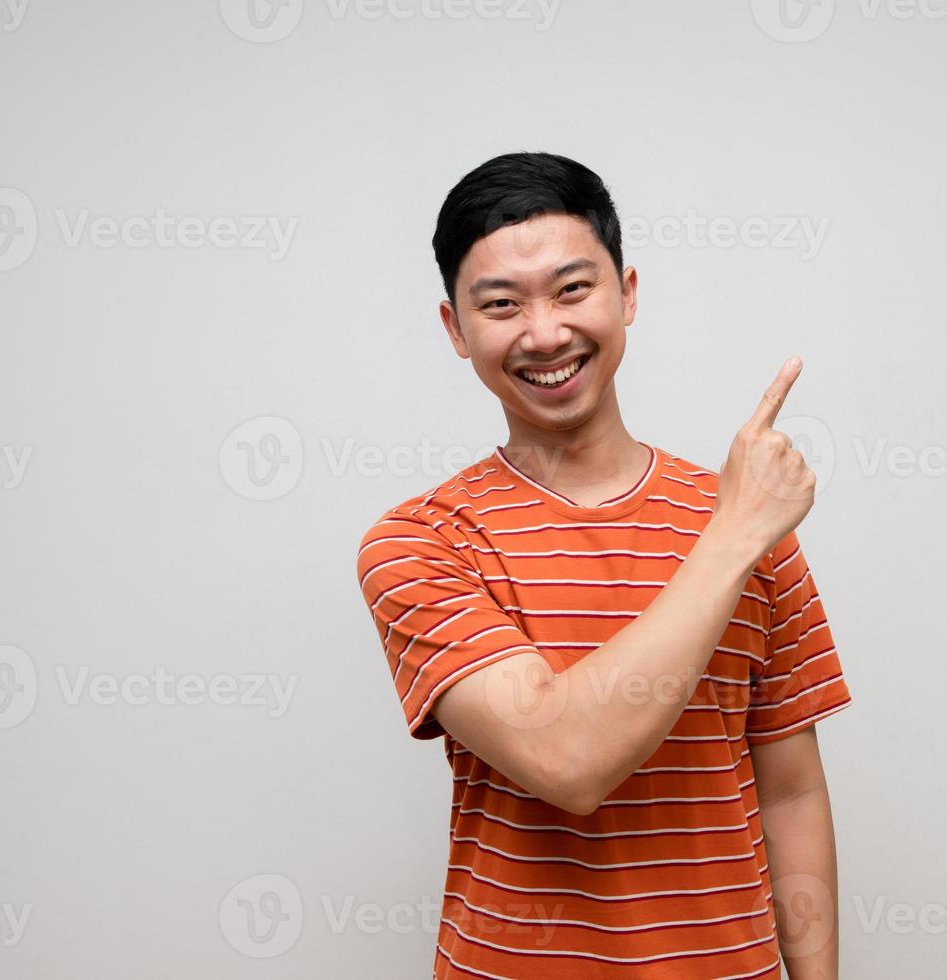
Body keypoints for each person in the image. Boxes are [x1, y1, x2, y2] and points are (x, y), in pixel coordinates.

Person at [356, 151, 852, 979]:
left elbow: (792, 792)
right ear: (455, 329)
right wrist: (733, 536)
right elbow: (567, 762)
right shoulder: (421, 542)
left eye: (573, 290)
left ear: (627, 294)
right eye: (502, 305)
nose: (545, 332)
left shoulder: (746, 521)